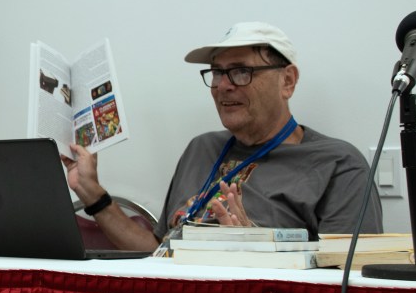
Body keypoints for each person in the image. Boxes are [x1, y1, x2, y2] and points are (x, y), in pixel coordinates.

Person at [63, 22, 383, 252]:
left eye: (241, 71)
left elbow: (344, 288)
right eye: (217, 72)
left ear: (287, 81)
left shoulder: (338, 165)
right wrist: (92, 192)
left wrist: (255, 251)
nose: (223, 86)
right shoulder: (201, 148)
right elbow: (156, 251)